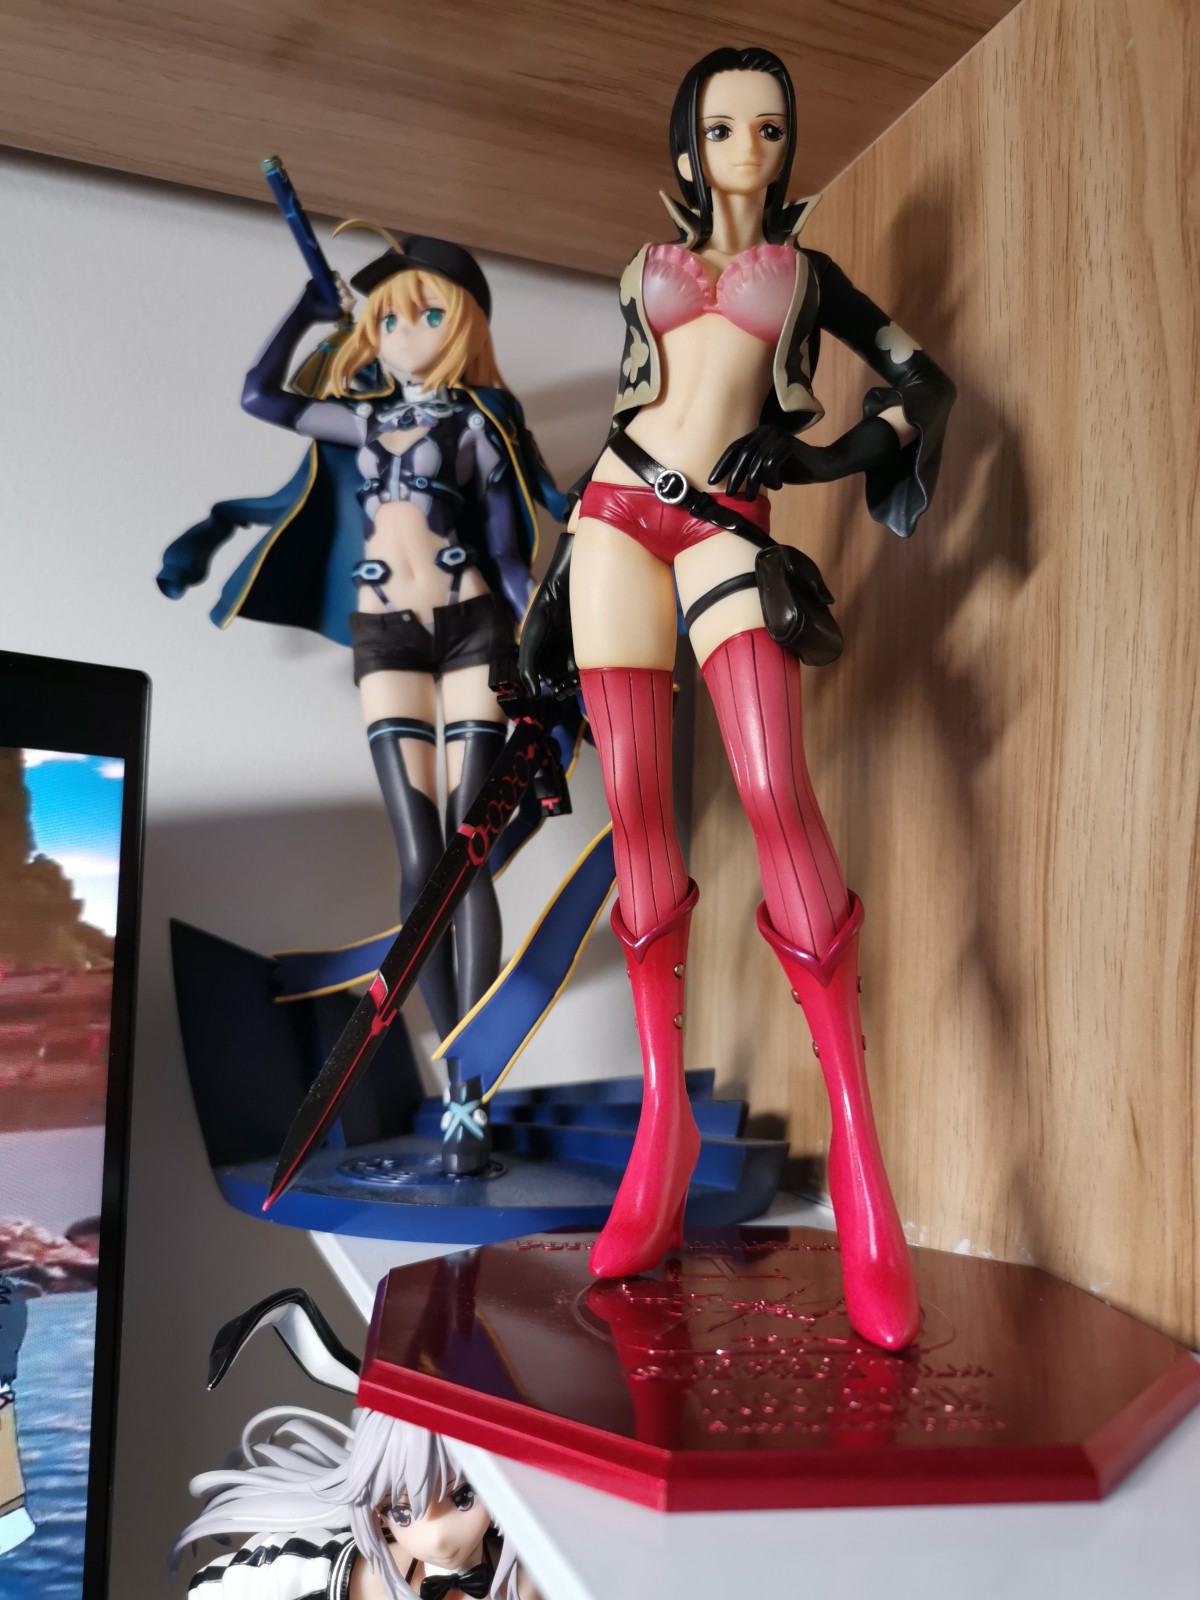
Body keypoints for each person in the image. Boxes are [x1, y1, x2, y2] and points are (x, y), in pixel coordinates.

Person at [519, 45, 955, 1350]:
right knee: (635, 804)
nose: (749, 150)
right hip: (612, 516)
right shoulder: (643, 268)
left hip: (725, 525)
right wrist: (552, 580)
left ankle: (860, 1155)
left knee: (775, 792)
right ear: (687, 148)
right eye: (723, 130)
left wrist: (817, 457)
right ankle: (664, 1118)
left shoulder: (809, 277)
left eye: (769, 128)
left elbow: (922, 387)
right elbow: (630, 404)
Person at [158, 233, 567, 1173]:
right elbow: (260, 396)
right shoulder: (362, 423)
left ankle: (470, 1089)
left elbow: (509, 551)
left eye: (427, 314)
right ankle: (454, 1068)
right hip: (385, 634)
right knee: (421, 855)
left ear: (465, 324)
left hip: (474, 629)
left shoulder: (481, 426)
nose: (404, 333)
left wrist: (542, 650)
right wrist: (307, 311)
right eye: (387, 319)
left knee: (469, 849)